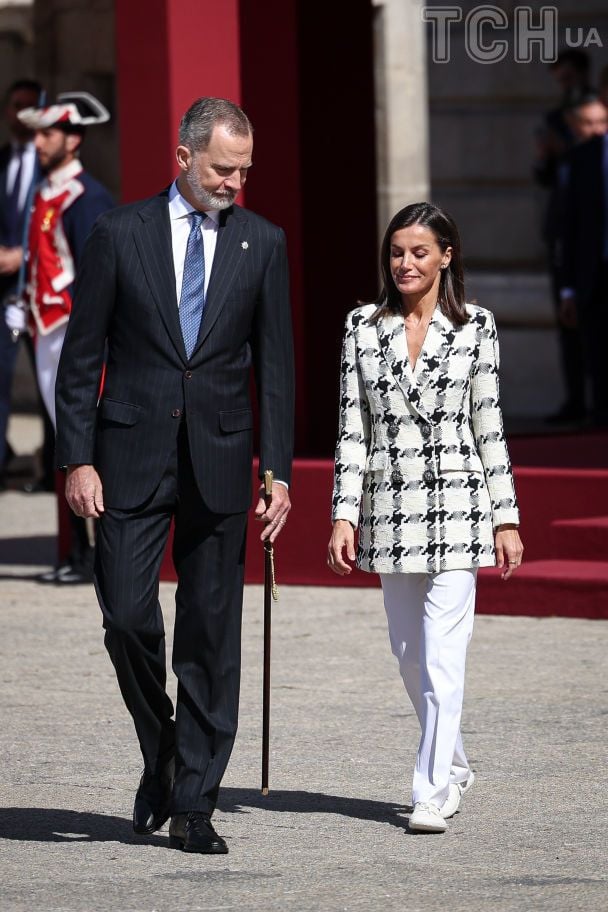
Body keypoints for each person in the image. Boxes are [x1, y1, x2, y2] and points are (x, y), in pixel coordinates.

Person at [55, 97, 294, 854]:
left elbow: (278, 369)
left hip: (222, 462)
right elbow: (81, 357)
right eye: (224, 168)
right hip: (127, 458)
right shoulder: (118, 233)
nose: (235, 183)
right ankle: (162, 745)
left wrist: (279, 472)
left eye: (245, 171)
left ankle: (194, 800)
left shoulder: (263, 242)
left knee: (211, 638)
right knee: (126, 616)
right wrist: (76, 456)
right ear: (184, 156)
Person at [328, 202, 523, 834]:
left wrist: (506, 518)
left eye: (418, 252)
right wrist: (343, 514)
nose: (405, 263)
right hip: (389, 512)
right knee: (410, 656)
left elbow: (489, 427)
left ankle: (431, 790)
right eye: (396, 252)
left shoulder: (477, 328)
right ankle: (457, 762)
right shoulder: (362, 325)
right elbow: (351, 431)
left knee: (443, 658)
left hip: (460, 508)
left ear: (446, 256)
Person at [15, 91, 114, 581]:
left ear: (73, 139)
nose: (38, 142)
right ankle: (76, 553)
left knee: (84, 439)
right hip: (45, 329)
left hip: (74, 335)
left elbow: (96, 276)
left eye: (47, 133)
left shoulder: (87, 197)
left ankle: (95, 556)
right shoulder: (45, 192)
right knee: (61, 440)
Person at [0, 78, 42, 489]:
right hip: (3, 294)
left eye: (33, 106)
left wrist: (23, 257)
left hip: (42, 292)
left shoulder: (52, 165)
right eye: (17, 106)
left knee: (52, 382)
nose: (24, 115)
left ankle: (52, 471)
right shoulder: (2, 160)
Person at [559, 118, 608, 427]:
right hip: (596, 273)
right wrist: (568, 288)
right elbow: (570, 223)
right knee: (598, 354)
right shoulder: (584, 155)